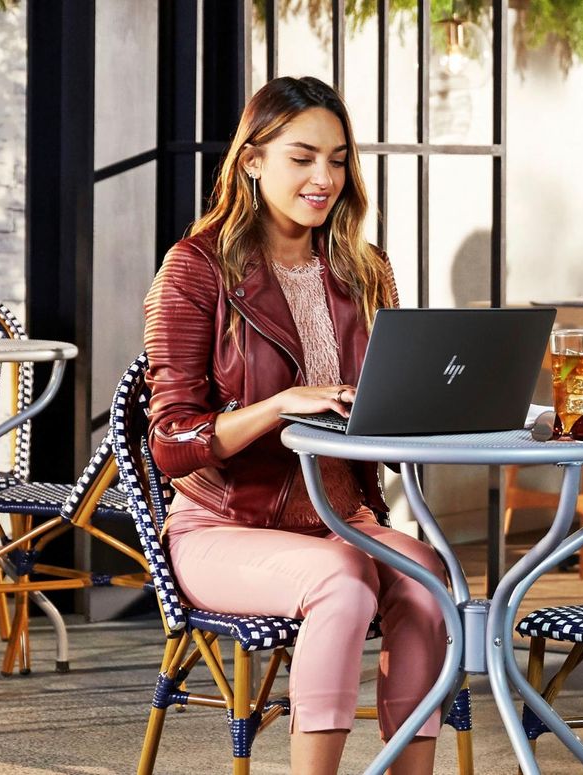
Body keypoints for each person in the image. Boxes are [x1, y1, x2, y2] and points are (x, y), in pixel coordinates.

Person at [142, 76, 447, 775]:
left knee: (429, 577)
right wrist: (281, 404)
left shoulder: (365, 271)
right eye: (302, 157)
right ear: (252, 160)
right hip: (224, 529)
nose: (325, 177)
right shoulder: (197, 269)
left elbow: (380, 408)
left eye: (338, 159)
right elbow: (170, 443)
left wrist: (438, 408)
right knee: (343, 578)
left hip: (342, 517)